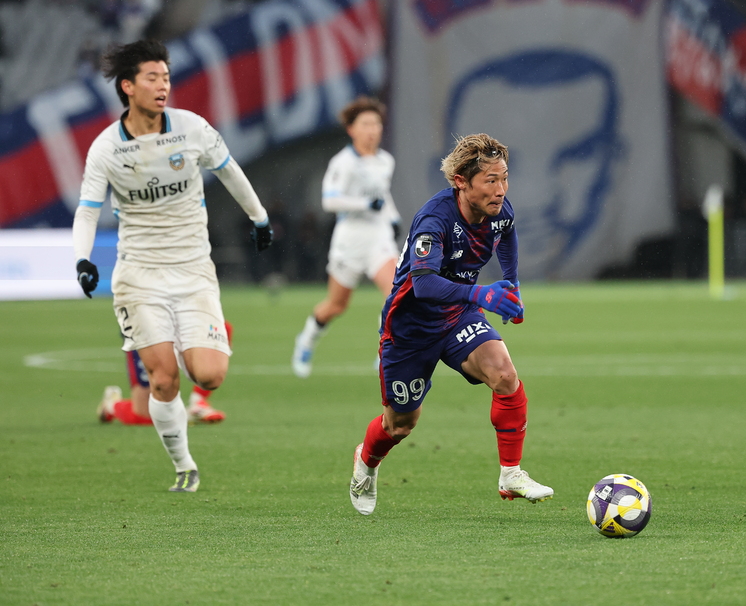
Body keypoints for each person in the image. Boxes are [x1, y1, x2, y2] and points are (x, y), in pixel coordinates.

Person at [73, 39, 273, 493]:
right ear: (128, 86)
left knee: (209, 375)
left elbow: (229, 170)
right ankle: (184, 465)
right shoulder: (106, 148)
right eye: (152, 78)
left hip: (193, 271)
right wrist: (83, 259)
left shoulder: (192, 128)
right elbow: (87, 209)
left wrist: (259, 217)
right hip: (139, 276)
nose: (163, 85)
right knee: (163, 380)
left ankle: (180, 344)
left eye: (166, 77)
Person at [348, 132, 553, 516]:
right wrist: (482, 294)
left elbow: (507, 232)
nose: (500, 190)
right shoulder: (435, 220)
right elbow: (424, 285)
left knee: (504, 375)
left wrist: (511, 287)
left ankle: (510, 473)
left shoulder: (498, 209)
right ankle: (366, 460)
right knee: (400, 425)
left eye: (504, 178)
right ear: (461, 181)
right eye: (490, 180)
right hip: (410, 330)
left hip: (458, 315)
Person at [291, 96, 399, 377]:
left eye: (376, 123)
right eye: (365, 124)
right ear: (351, 129)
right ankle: (306, 340)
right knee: (336, 305)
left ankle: (385, 353)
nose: (372, 130)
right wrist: (365, 204)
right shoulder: (343, 162)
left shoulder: (385, 160)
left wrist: (393, 216)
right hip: (350, 241)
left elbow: (383, 194)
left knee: (397, 295)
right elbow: (329, 201)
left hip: (378, 238)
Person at [97, 321, 233, 426]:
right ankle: (112, 405)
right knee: (148, 416)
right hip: (145, 322)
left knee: (218, 329)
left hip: (180, 310)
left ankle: (198, 402)